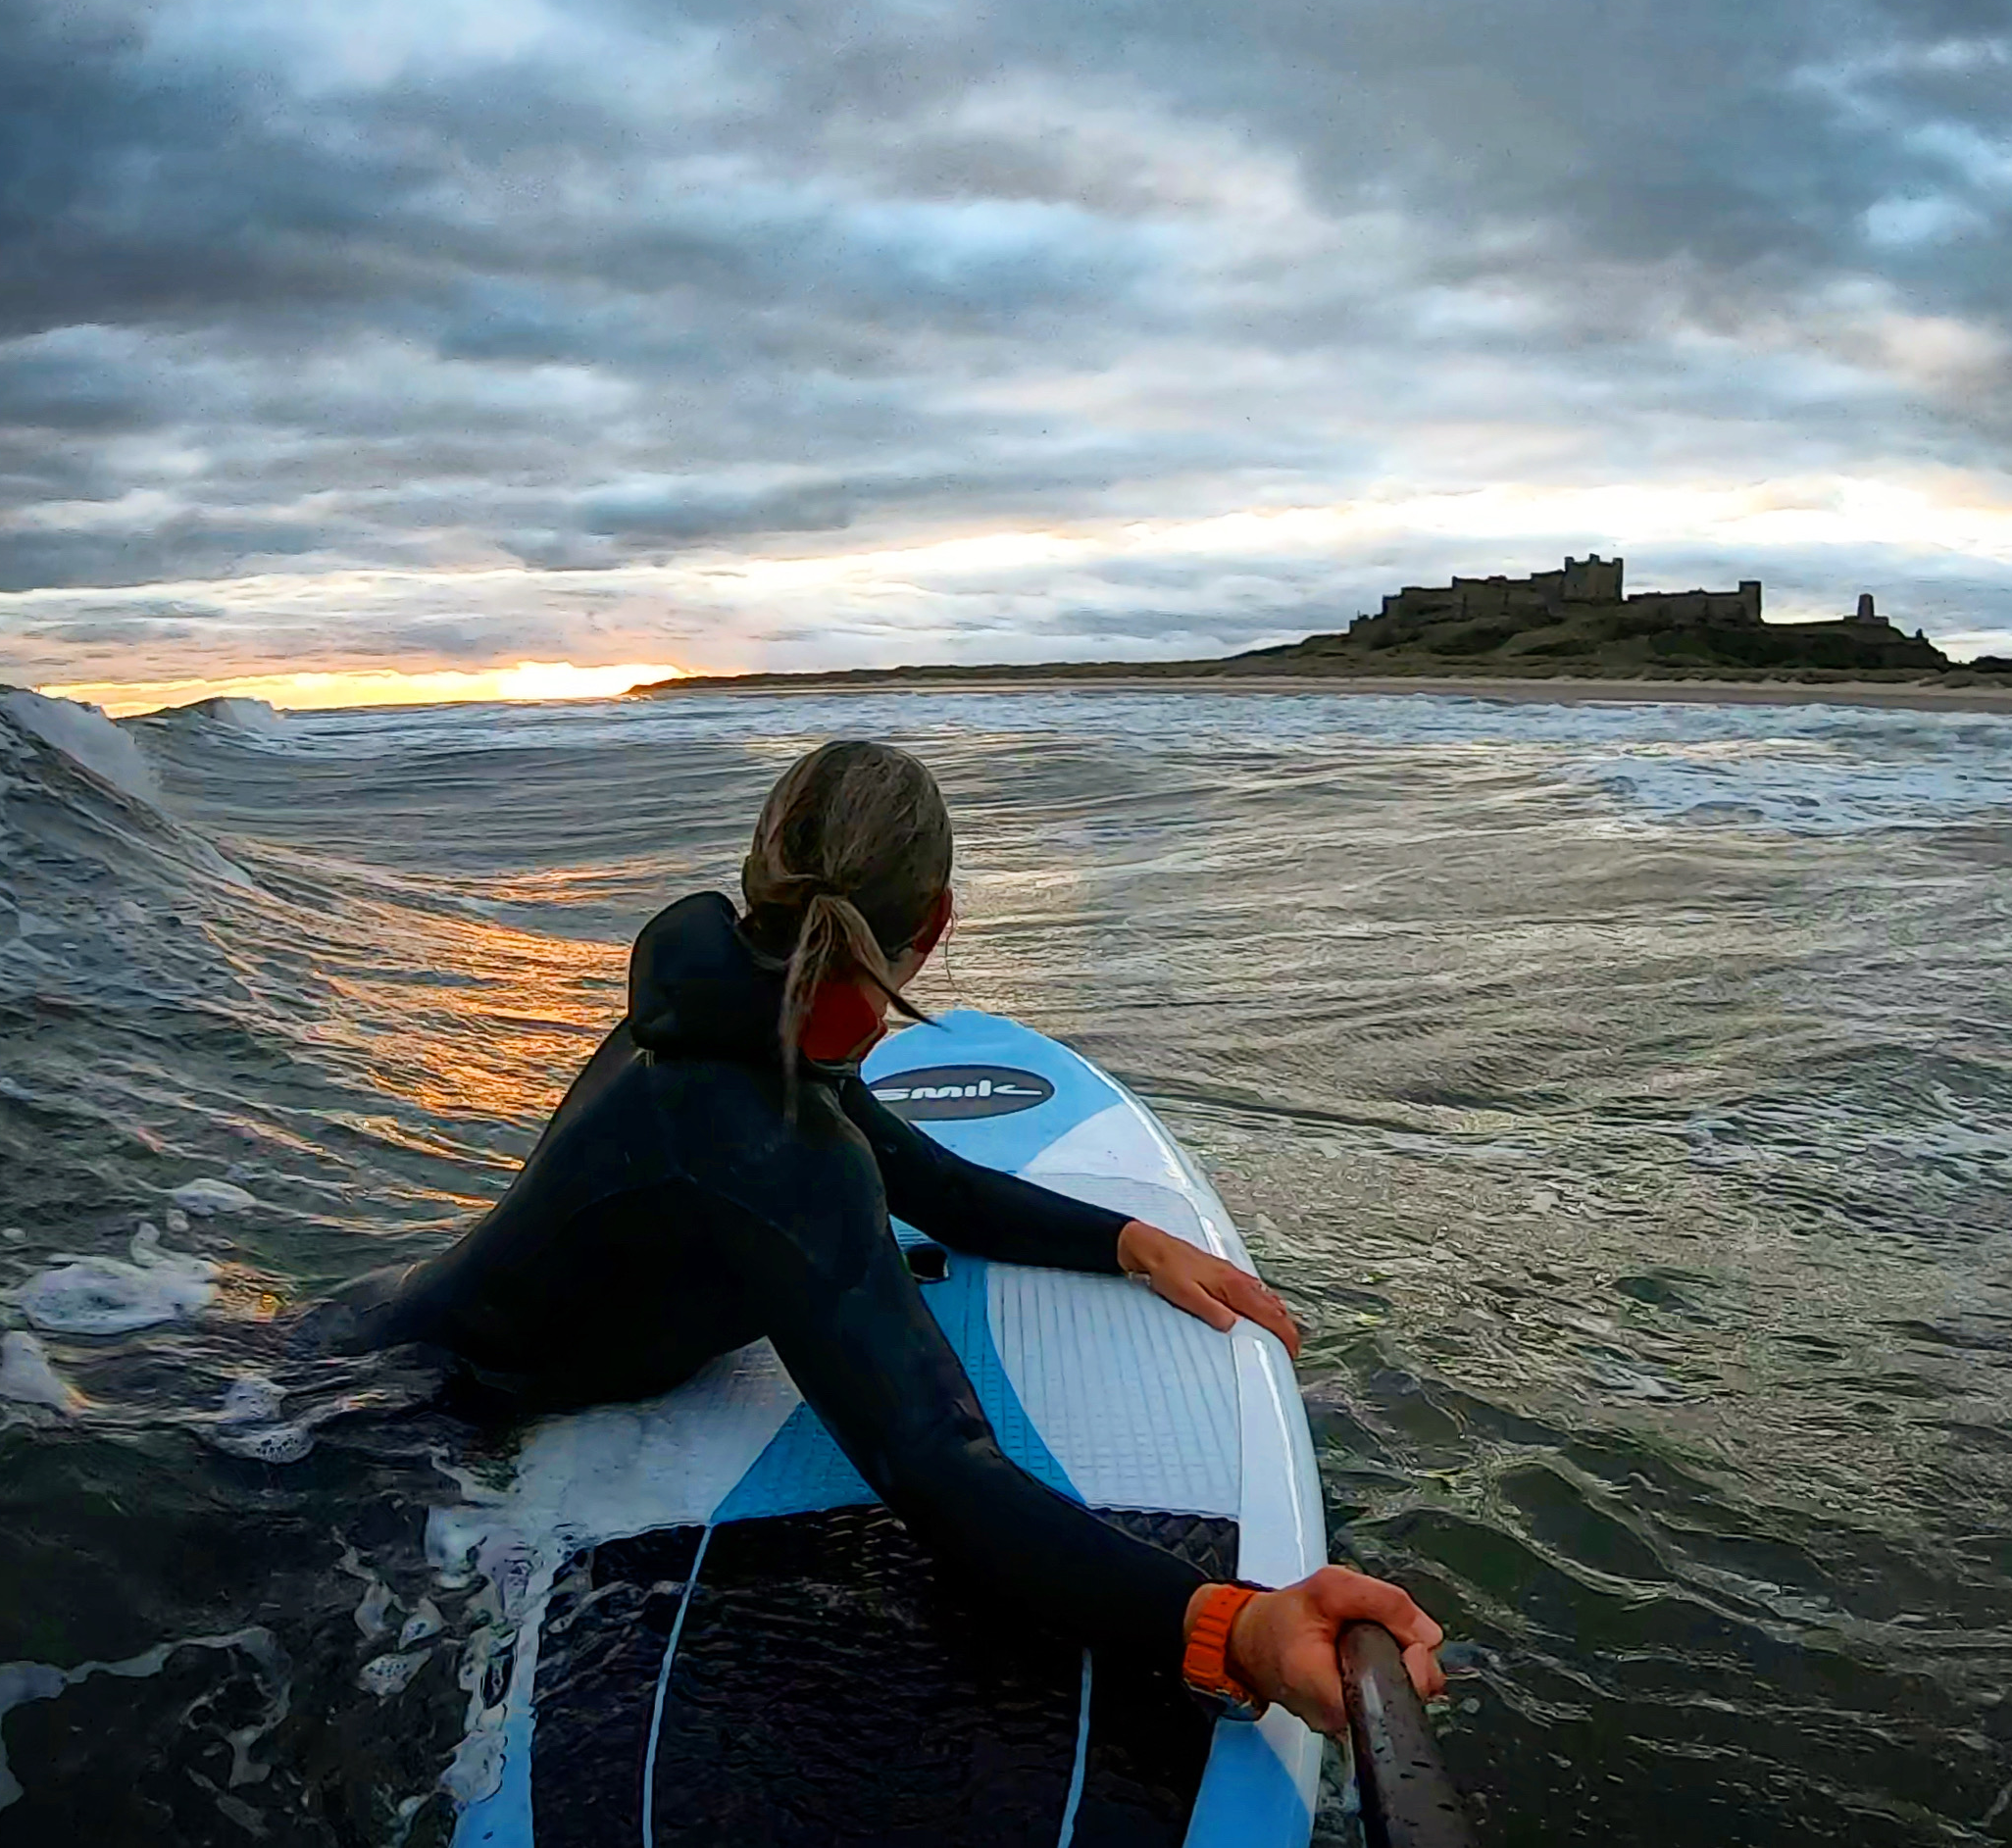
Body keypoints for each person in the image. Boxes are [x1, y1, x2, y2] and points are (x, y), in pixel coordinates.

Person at [312, 738, 1443, 1733]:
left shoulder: (722, 1022)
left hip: (359, 1335)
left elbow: (922, 1179)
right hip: (387, 1416)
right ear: (938, 921)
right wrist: (1234, 1630)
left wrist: (1130, 1242)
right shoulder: (772, 1143)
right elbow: (936, 1469)